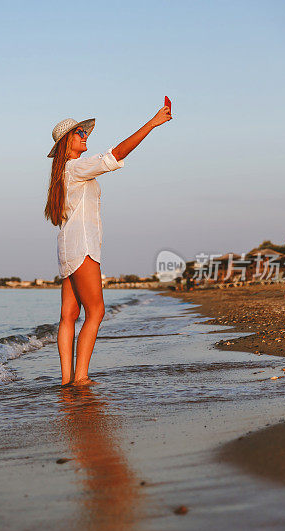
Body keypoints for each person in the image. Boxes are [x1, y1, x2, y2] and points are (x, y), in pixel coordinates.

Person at [44, 104, 172, 386]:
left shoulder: (63, 174)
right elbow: (115, 155)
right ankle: (80, 378)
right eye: (78, 132)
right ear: (67, 142)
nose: (84, 135)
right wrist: (152, 124)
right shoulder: (76, 168)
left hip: (67, 249)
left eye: (83, 130)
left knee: (69, 315)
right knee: (96, 311)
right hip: (83, 247)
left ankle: (67, 380)